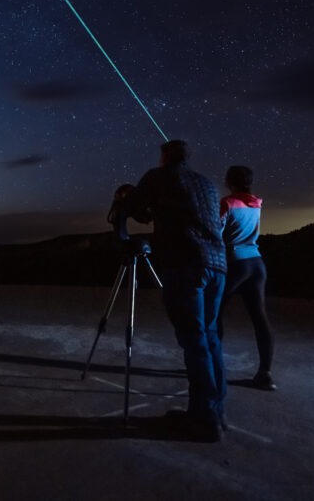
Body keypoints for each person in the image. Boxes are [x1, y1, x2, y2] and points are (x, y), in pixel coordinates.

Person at [123, 140, 228, 441]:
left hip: (186, 265)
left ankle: (206, 421)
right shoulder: (206, 183)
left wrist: (124, 199)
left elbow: (134, 208)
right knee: (209, 338)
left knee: (194, 341)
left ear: (165, 156)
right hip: (217, 265)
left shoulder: (158, 176)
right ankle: (212, 412)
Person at [220, 165, 276, 390]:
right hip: (256, 263)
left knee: (213, 315)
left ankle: (211, 365)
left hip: (236, 263)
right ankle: (265, 374)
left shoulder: (227, 203)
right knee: (260, 319)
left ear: (229, 181)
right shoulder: (256, 204)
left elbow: (216, 231)